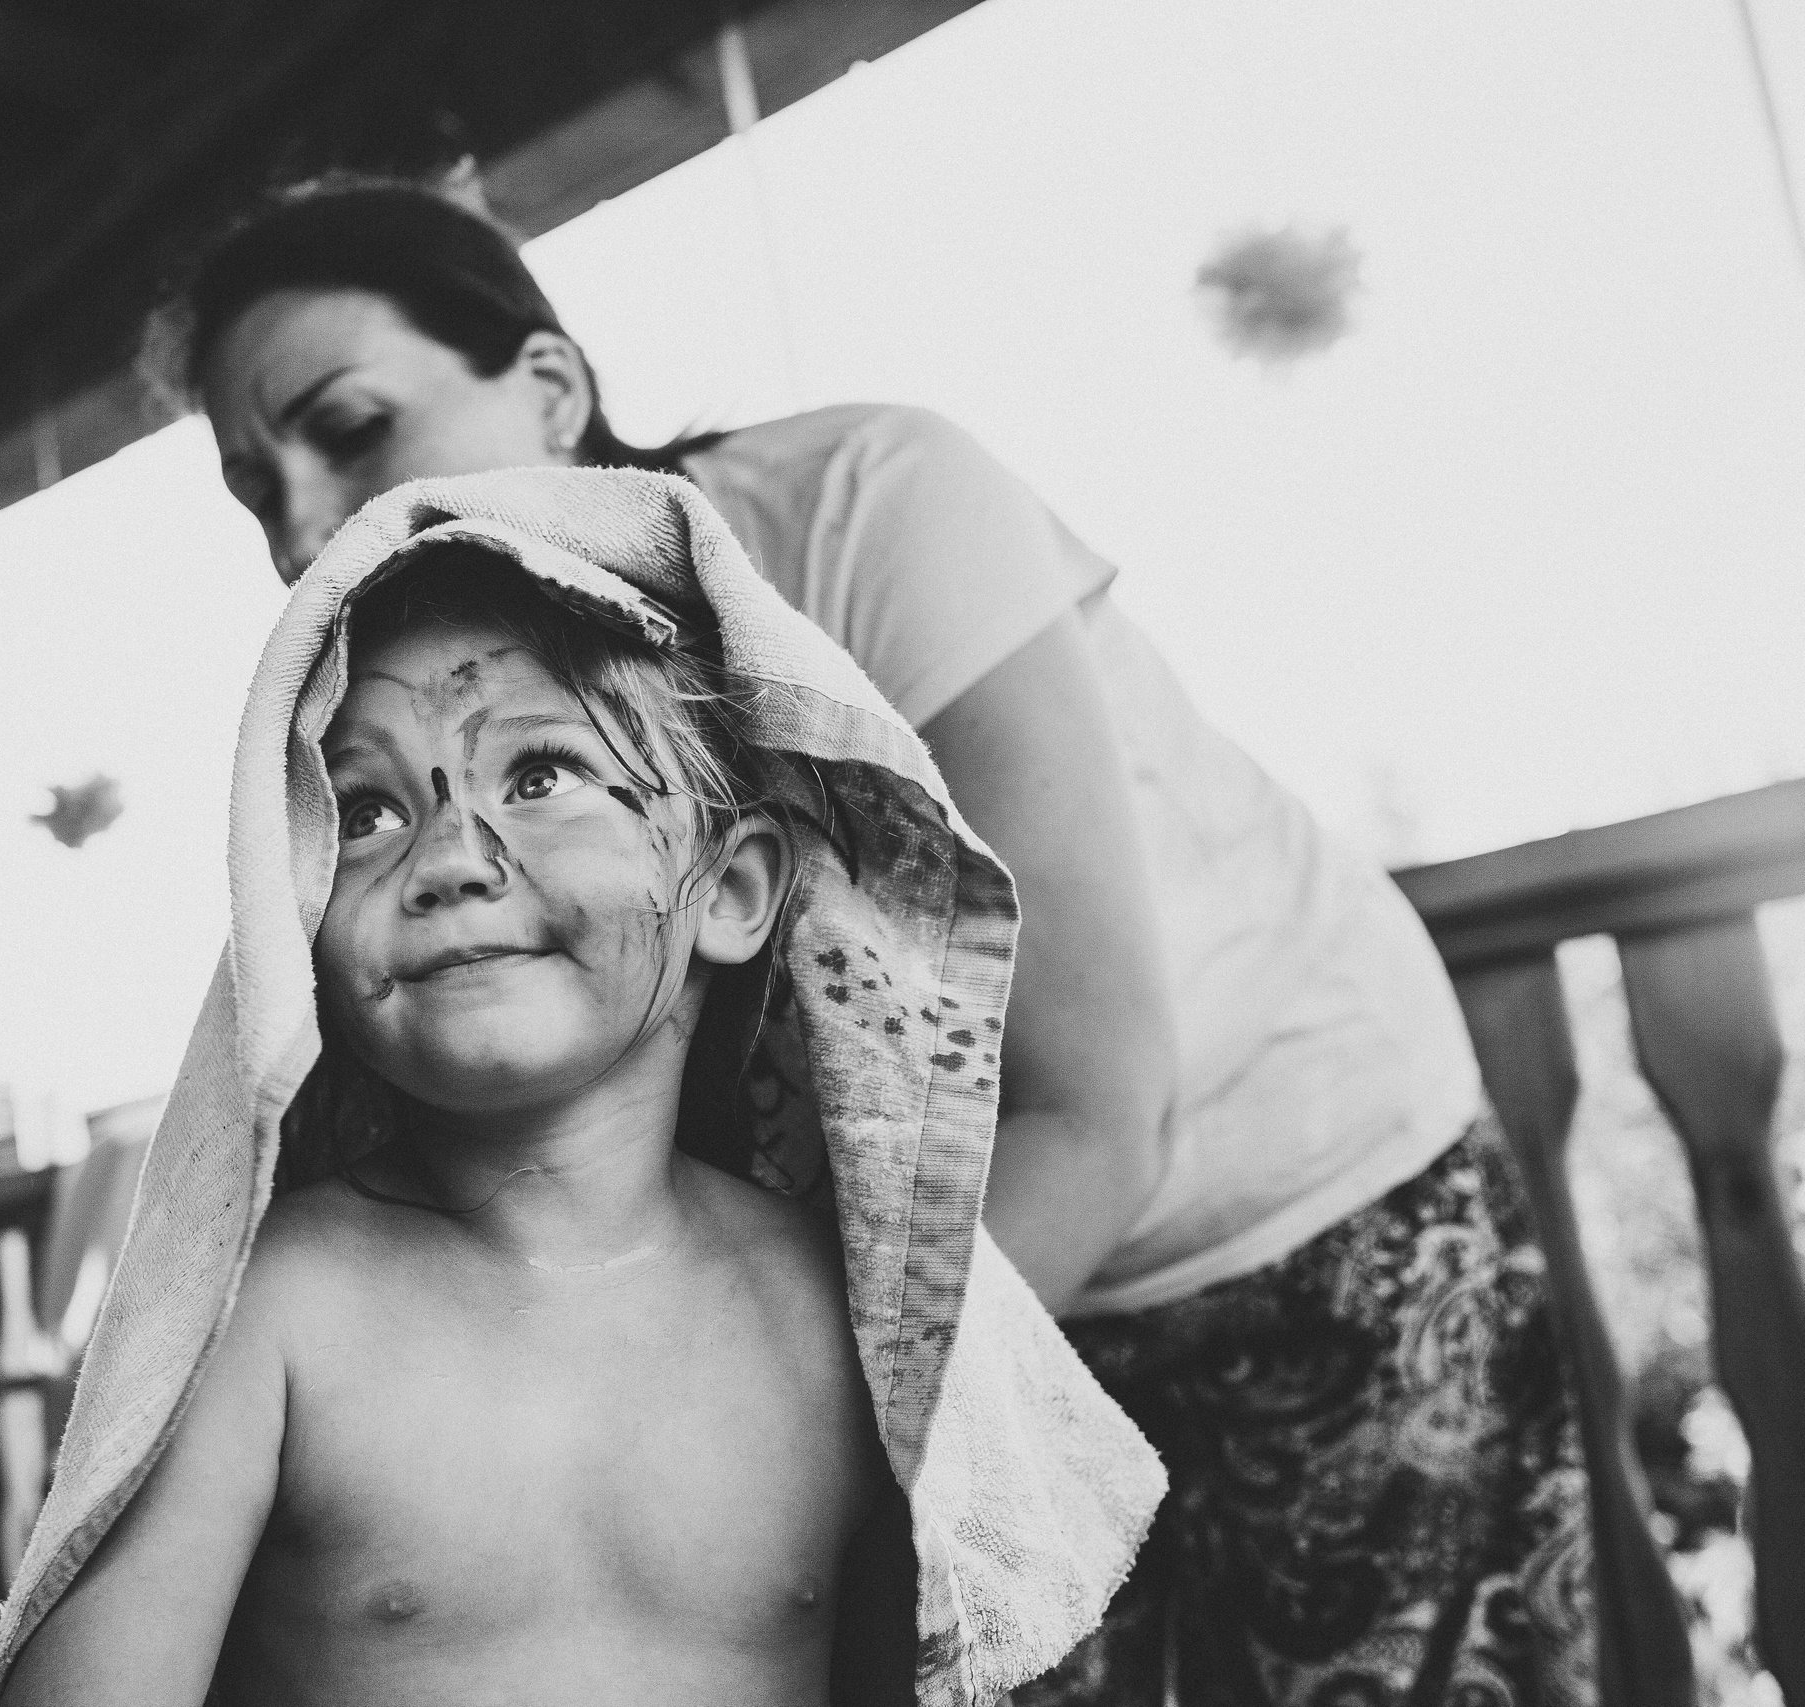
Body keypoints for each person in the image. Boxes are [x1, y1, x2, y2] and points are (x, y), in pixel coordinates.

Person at [164, 179, 1594, 1705]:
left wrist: (751, 1439)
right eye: (258, 490)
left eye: (353, 427)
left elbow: (1098, 1101)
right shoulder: (432, 738)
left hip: (1311, 1199)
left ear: (552, 387)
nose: (309, 524)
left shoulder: (877, 499)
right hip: (956, 1298)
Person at [0, 472, 1161, 1705]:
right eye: (370, 811)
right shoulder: (272, 1315)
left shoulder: (838, 1315)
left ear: (733, 891)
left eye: (540, 775)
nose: (448, 857)